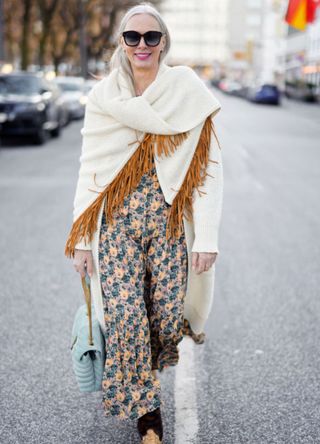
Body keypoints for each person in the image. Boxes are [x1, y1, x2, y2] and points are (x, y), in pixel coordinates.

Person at [64, 3, 223, 443]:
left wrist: (205, 238)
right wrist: (81, 238)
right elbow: (90, 169)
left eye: (151, 37)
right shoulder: (104, 97)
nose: (141, 45)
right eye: (132, 37)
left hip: (170, 226)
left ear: (163, 42)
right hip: (116, 226)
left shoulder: (186, 90)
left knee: (163, 318)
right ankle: (149, 415)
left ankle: (141, 383)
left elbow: (208, 170)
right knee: (128, 318)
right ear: (122, 42)